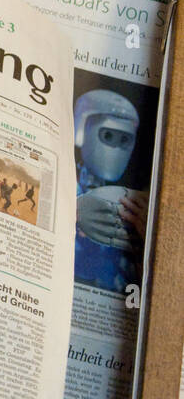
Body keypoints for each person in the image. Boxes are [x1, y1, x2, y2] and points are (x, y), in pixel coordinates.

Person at [73, 89, 146, 291]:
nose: (114, 149)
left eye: (124, 140)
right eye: (108, 136)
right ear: (81, 131)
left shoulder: (134, 204)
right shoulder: (69, 188)